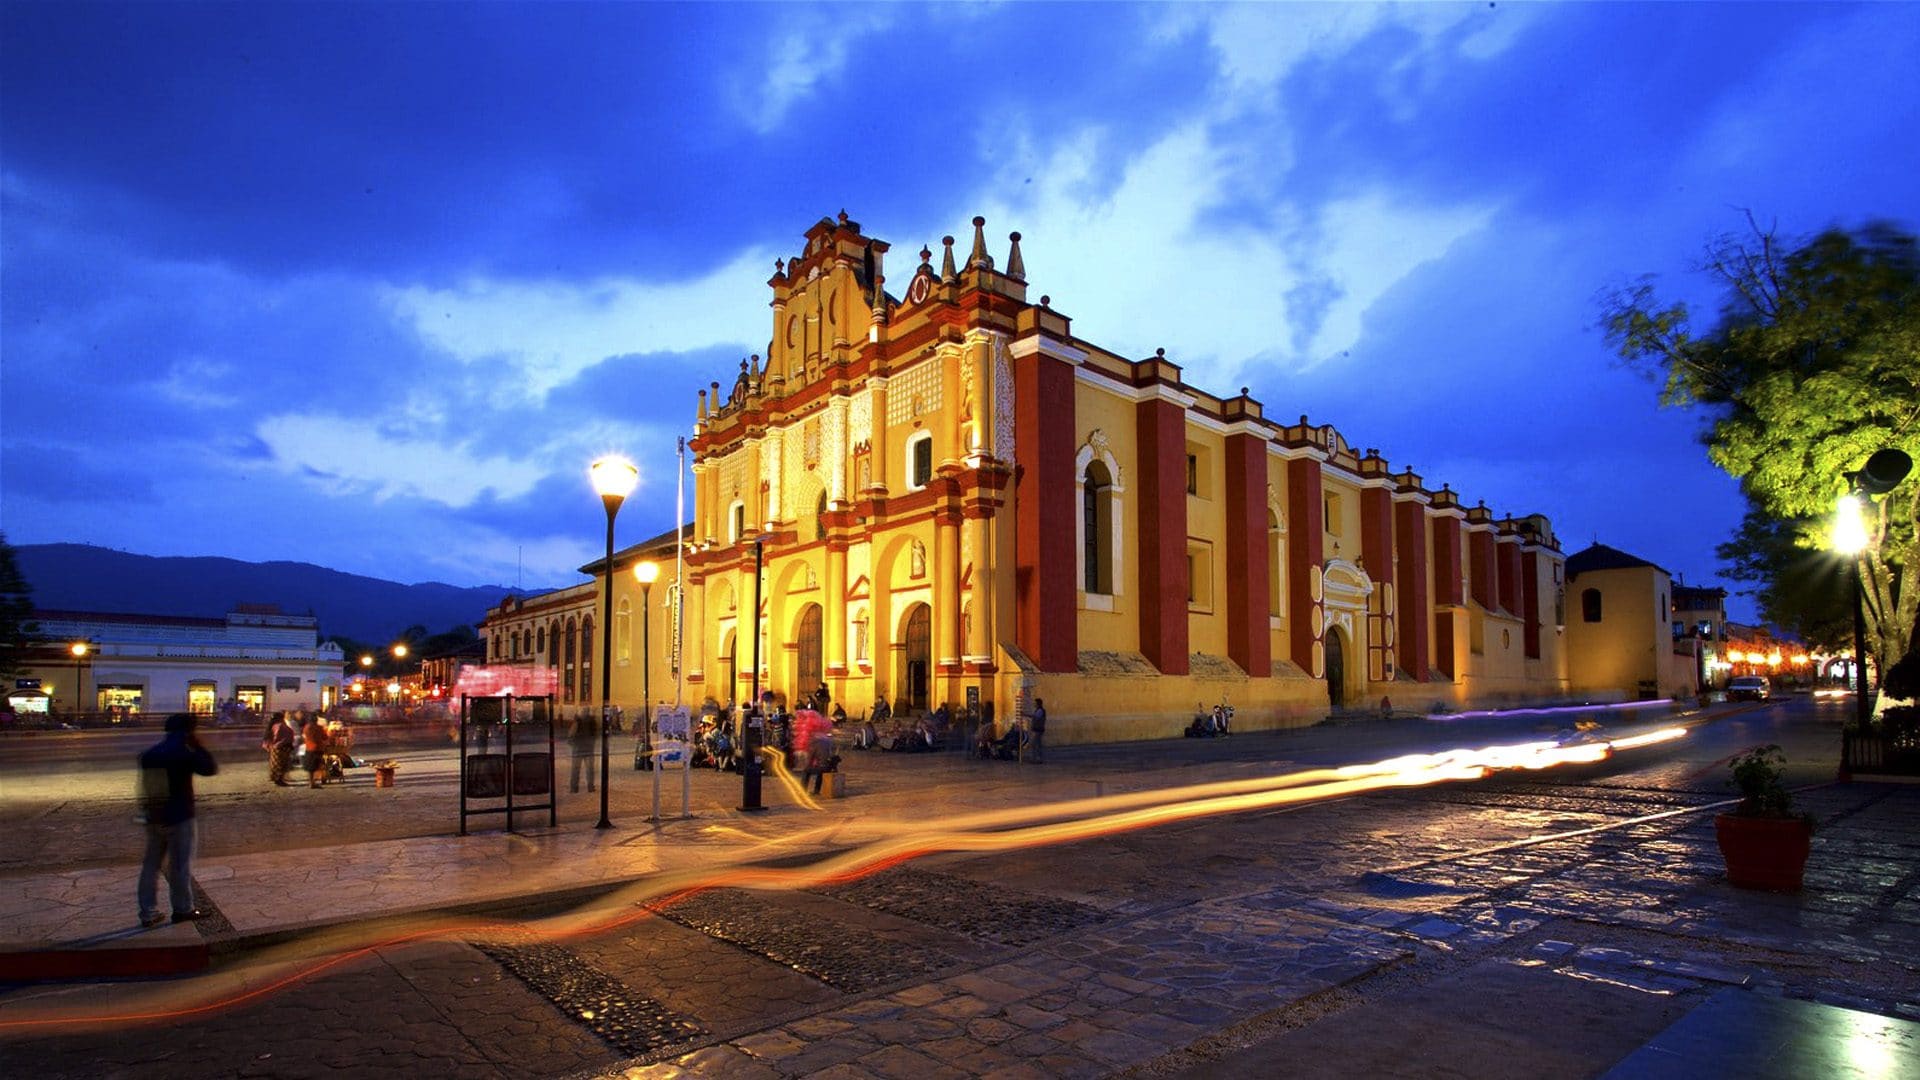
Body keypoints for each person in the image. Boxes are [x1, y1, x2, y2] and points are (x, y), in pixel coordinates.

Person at [136, 713, 219, 927]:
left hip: (154, 816)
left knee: (151, 865)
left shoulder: (150, 754)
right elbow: (209, 768)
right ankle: (182, 909)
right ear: (189, 731)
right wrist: (198, 746)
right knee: (180, 866)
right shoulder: (183, 753)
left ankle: (148, 912)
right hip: (180, 815)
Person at [569, 708, 598, 793]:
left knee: (575, 770)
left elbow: (571, 735)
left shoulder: (577, 722)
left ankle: (574, 788)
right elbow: (595, 735)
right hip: (588, 749)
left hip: (578, 749)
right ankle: (590, 787)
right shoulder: (592, 722)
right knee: (589, 770)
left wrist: (573, 744)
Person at [263, 712, 296, 786]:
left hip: (275, 747)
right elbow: (288, 735)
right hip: (282, 747)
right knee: (281, 764)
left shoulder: (272, 726)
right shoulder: (281, 726)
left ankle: (275, 778)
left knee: (275, 764)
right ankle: (279, 780)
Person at [301, 713, 330, 787]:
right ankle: (316, 780)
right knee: (319, 764)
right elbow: (325, 737)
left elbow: (304, 737)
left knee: (311, 767)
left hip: (309, 748)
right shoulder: (319, 727)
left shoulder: (306, 727)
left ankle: (311, 782)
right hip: (319, 748)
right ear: (316, 720)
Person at [1027, 697, 1047, 763]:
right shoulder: (1039, 710)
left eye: (1035, 703)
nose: (1034, 704)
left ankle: (1035, 759)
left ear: (1038, 703)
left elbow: (1035, 716)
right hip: (1038, 730)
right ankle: (1038, 758)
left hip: (1038, 730)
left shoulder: (1040, 710)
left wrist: (1025, 714)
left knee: (1034, 744)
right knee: (1038, 744)